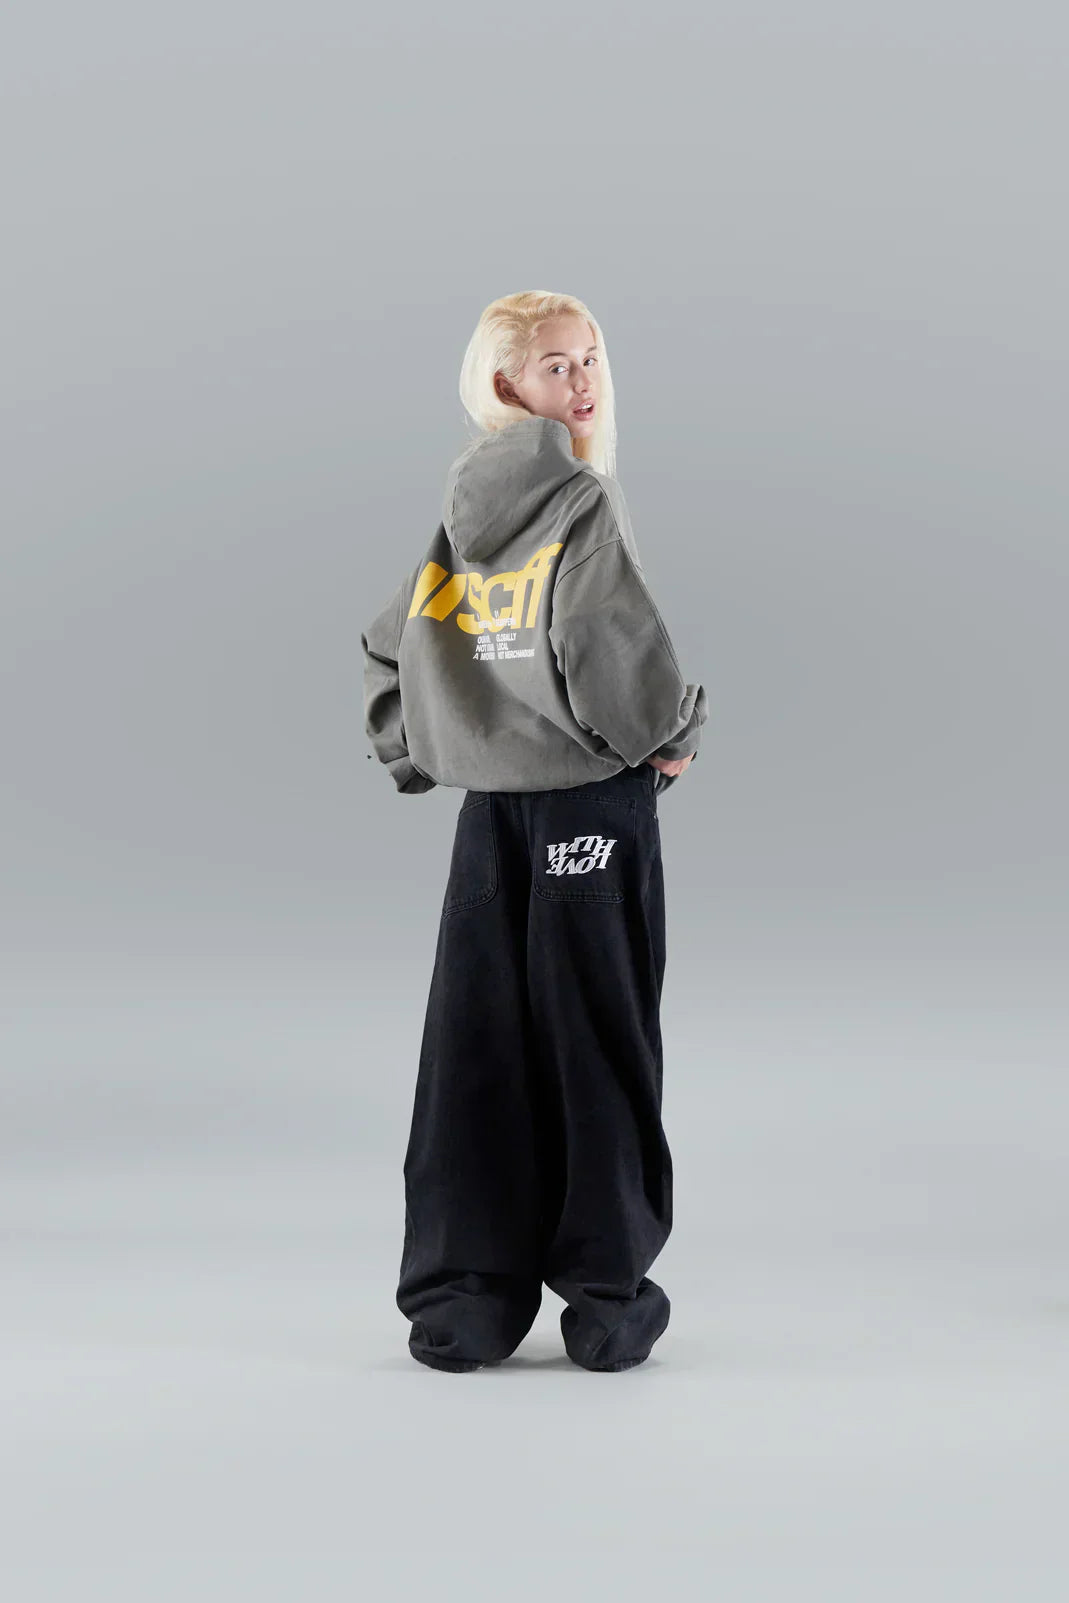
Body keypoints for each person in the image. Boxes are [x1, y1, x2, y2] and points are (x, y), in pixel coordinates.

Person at [361, 290, 708, 1372]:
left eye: (590, 355)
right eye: (557, 364)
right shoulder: (577, 501)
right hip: (588, 810)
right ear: (506, 382)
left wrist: (421, 747)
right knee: (597, 1044)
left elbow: (389, 644)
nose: (583, 378)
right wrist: (670, 735)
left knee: (475, 1045)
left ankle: (462, 1300)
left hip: (488, 820)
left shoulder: (459, 513)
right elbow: (606, 651)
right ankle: (605, 1300)